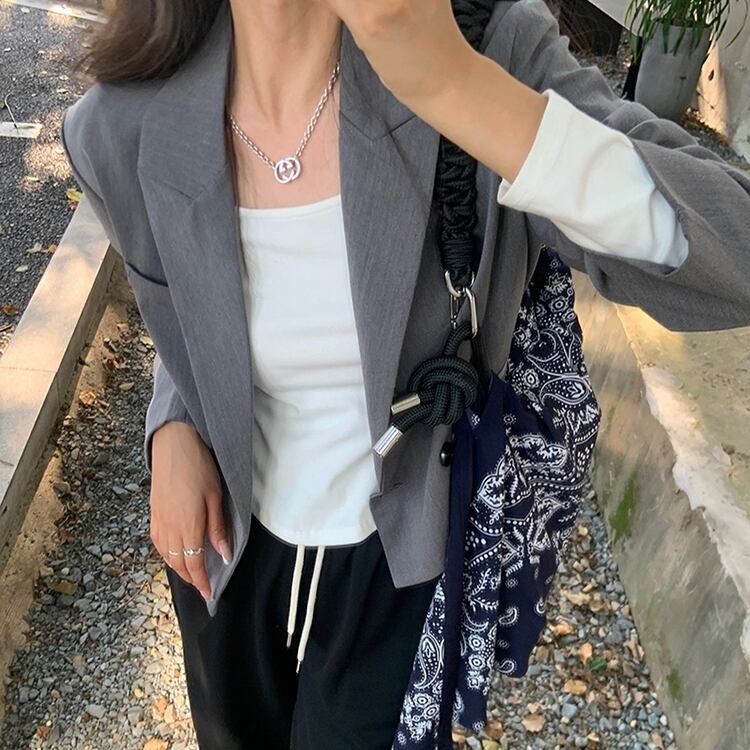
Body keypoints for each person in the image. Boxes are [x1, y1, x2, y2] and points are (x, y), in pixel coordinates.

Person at [61, 0, 750, 748]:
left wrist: (456, 87)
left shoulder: (484, 45)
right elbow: (184, 303)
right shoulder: (123, 125)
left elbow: (731, 250)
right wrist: (173, 420)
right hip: (224, 541)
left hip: (401, 550)